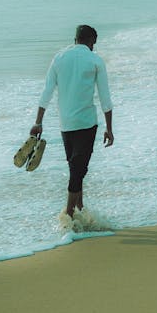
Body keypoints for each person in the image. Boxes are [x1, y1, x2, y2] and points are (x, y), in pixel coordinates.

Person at [30, 24, 114, 218]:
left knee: (76, 168)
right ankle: (69, 215)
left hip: (65, 124)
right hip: (86, 123)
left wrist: (38, 122)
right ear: (91, 41)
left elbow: (47, 92)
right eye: (94, 42)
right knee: (78, 170)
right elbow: (105, 98)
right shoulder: (95, 60)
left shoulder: (59, 58)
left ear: (75, 38)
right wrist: (109, 128)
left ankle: (80, 209)